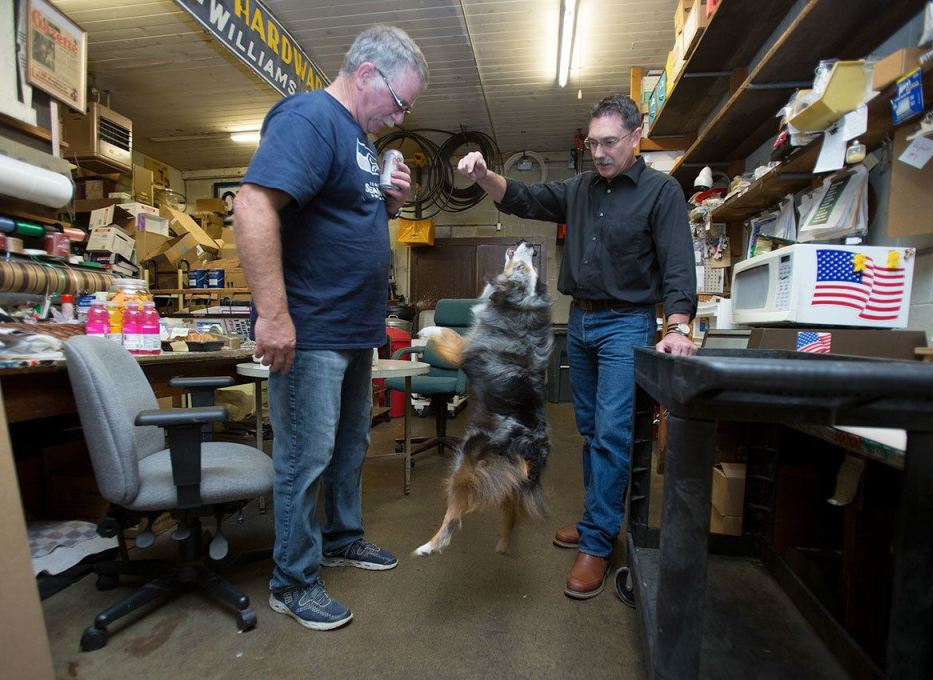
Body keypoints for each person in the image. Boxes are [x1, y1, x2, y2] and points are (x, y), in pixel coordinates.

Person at [457, 94, 697, 599]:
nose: (600, 152)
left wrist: (677, 325)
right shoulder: (581, 188)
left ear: (636, 136)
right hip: (582, 323)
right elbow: (521, 196)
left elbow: (678, 262)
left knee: (611, 434)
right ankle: (597, 522)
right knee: (590, 431)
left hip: (627, 324)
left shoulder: (662, 192)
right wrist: (484, 176)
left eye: (611, 142)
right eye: (593, 143)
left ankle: (598, 542)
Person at [233, 25, 428, 630]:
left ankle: (342, 538)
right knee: (305, 457)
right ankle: (293, 581)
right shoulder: (310, 118)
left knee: (349, 447)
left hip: (353, 328)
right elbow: (253, 205)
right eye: (398, 103)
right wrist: (273, 313)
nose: (398, 116)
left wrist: (392, 201)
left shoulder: (359, 141)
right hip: (312, 328)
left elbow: (347, 220)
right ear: (367, 73)